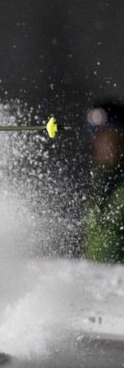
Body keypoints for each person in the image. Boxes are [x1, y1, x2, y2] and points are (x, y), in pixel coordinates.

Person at [83, 101, 124, 263]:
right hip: (102, 282)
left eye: (110, 135)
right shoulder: (99, 183)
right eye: (98, 136)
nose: (104, 143)